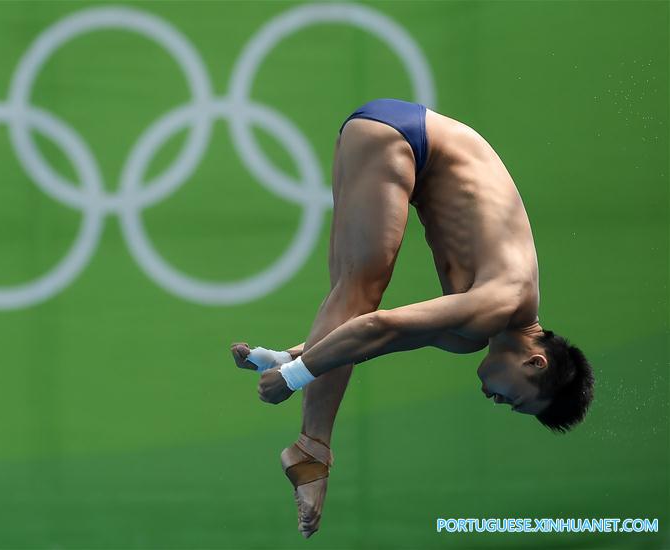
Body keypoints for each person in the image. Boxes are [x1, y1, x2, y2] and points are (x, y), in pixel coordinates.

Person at [229, 99, 594, 538]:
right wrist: (292, 378)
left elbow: (375, 341)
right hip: (410, 141)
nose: (496, 401)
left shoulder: (472, 333)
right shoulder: (504, 301)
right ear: (537, 363)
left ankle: (312, 445)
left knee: (350, 291)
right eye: (513, 400)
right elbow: (380, 325)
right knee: (360, 289)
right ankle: (312, 448)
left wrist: (287, 355)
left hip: (388, 138)